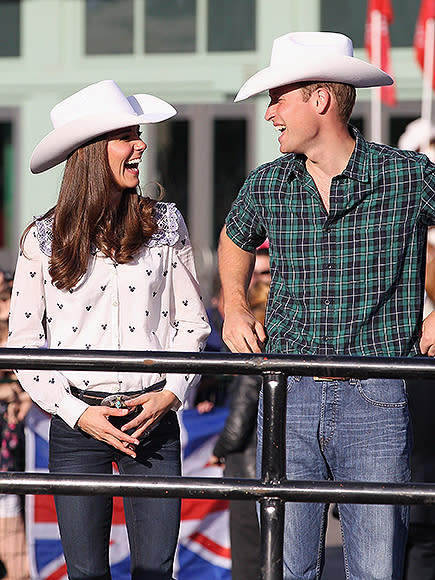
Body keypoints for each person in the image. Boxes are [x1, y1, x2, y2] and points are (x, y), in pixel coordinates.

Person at [218, 31, 435, 580]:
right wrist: (236, 309)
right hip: (287, 392)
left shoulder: (405, 175)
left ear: (319, 100)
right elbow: (234, 238)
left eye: (278, 98)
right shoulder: (269, 183)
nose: (270, 114)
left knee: (377, 569)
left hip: (376, 390)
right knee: (289, 568)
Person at [7, 80, 210, 580]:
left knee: (155, 569)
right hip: (78, 422)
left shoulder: (165, 223)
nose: (140, 145)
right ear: (92, 154)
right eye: (126, 136)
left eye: (137, 134)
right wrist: (77, 413)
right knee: (85, 572)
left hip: (153, 418)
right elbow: (23, 342)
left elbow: (192, 322)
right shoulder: (41, 237)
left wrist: (171, 394)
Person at [209, 279, 269, 580]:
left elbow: (239, 420)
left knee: (247, 550)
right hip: (281, 460)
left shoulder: (256, 351)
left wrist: (218, 450)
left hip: (248, 465)